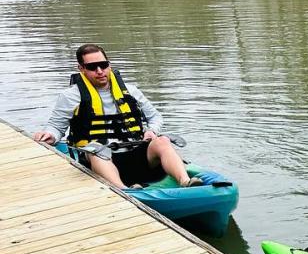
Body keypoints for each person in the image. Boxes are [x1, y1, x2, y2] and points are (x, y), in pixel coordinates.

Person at [32, 44, 198, 190]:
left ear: (109, 64)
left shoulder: (131, 91)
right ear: (81, 68)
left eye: (103, 65)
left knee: (162, 141)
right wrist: (49, 135)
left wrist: (152, 131)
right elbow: (56, 127)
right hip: (100, 158)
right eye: (92, 67)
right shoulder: (70, 96)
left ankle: (185, 181)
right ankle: (125, 191)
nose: (99, 71)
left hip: (136, 153)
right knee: (96, 150)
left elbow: (155, 118)